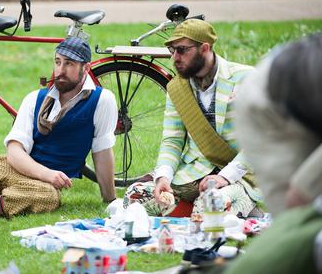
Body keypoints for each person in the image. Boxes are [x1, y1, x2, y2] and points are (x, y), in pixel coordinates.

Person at [0, 37, 118, 218]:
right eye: (58, 62)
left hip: (43, 186)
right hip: (14, 167)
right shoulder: (34, 98)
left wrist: (110, 199)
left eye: (69, 64)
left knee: (47, 197)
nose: (60, 70)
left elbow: (102, 151)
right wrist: (48, 174)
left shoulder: (101, 100)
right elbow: (14, 152)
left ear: (85, 68)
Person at [123, 19, 262, 218]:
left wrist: (224, 177)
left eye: (181, 50)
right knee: (134, 195)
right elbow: (173, 140)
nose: (175, 58)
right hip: (193, 175)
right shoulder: (177, 87)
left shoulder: (246, 78)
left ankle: (233, 205)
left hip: (240, 175)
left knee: (210, 204)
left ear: (204, 48)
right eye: (172, 50)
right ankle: (205, 212)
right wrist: (163, 177)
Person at [235, 32, 322, 216]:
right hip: (266, 101)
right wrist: (304, 188)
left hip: (307, 100)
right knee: (293, 211)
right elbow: (298, 197)